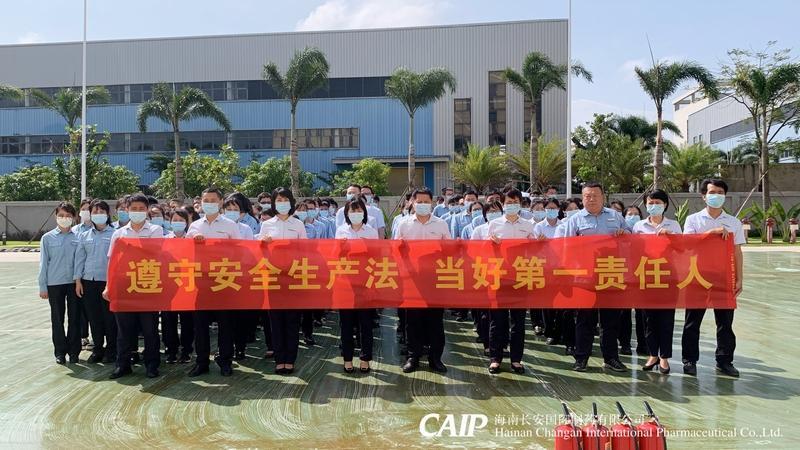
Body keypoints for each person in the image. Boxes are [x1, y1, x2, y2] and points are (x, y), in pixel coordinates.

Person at [560, 182, 631, 373]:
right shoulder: (575, 220)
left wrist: (624, 234)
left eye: (595, 195)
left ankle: (611, 358)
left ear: (603, 197)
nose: (591, 199)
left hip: (610, 274)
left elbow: (631, 238)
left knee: (610, 320)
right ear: (582, 198)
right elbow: (566, 247)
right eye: (587, 196)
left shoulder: (615, 216)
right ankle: (581, 358)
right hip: (585, 277)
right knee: (585, 320)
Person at [681, 179, 744, 378]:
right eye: (712, 192)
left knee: (725, 322)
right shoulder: (693, 220)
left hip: (724, 278)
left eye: (720, 192)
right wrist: (711, 233)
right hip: (697, 276)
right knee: (692, 321)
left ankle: (724, 361)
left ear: (725, 196)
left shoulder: (734, 222)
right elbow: (688, 245)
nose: (716, 196)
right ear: (704, 196)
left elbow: (737, 252)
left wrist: (739, 278)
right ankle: (689, 360)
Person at [103, 193, 163, 379]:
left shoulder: (156, 230)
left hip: (148, 285)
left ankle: (152, 365)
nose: (137, 212)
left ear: (147, 210)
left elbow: (155, 254)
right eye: (134, 209)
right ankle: (123, 364)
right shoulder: (119, 233)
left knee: (150, 330)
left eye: (141, 209)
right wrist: (108, 286)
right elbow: (112, 262)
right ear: (127, 210)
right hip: (124, 287)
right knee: (124, 330)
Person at [186, 187, 242, 377]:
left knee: (226, 324)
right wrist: (194, 243)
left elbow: (239, 251)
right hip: (201, 281)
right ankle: (201, 362)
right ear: (201, 203)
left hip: (223, 280)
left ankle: (225, 361)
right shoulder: (194, 226)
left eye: (213, 200)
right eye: (206, 200)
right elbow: (184, 252)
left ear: (220, 202)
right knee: (200, 325)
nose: (209, 203)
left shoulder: (230, 225)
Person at [395, 187, 450, 374]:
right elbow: (396, 251)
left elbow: (448, 250)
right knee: (413, 321)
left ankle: (436, 358)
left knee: (435, 321)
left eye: (426, 202)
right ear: (412, 202)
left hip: (435, 279)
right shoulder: (404, 224)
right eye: (419, 202)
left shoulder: (441, 224)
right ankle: (413, 357)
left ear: (432, 203)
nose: (423, 205)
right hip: (412, 280)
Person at [631, 189, 682, 375]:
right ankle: (652, 354)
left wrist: (671, 236)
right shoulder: (639, 226)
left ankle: (664, 357)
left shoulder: (674, 225)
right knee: (649, 319)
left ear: (665, 205)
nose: (654, 206)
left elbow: (682, 249)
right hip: (646, 277)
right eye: (650, 203)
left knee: (666, 319)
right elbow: (633, 250)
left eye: (658, 203)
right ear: (646, 205)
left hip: (668, 277)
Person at [259, 187, 307, 375]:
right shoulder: (267, 225)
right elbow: (260, 251)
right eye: (278, 200)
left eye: (285, 199)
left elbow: (305, 250)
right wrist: (264, 244)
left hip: (293, 277)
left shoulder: (298, 224)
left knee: (292, 320)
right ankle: (280, 359)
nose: (282, 203)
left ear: (291, 202)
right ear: (273, 203)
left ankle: (290, 358)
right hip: (273, 277)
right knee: (276, 320)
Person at [485, 189, 533, 374]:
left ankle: (516, 359)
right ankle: (495, 358)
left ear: (520, 203)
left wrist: (539, 242)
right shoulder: (494, 224)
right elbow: (484, 251)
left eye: (515, 202)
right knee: (498, 321)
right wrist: (492, 245)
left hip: (520, 277)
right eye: (508, 202)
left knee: (518, 322)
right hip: (499, 277)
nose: (512, 205)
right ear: (503, 204)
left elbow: (536, 251)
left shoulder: (528, 225)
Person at [335, 197, 379, 373]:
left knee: (365, 323)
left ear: (364, 212)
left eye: (359, 210)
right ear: (347, 213)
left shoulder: (371, 231)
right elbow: (335, 255)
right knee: (346, 323)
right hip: (346, 282)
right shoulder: (341, 231)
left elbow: (376, 256)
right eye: (352, 210)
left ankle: (365, 358)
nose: (356, 214)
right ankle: (347, 358)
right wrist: (342, 248)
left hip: (365, 282)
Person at [74, 200, 117, 364]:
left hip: (107, 282)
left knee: (109, 318)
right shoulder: (84, 235)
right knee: (94, 317)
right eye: (95, 212)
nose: (98, 215)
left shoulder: (115, 234)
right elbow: (79, 259)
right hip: (88, 282)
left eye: (102, 211)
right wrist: (78, 280)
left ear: (107, 214)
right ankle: (97, 349)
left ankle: (111, 350)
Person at [39, 202, 81, 364]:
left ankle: (74, 351)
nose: (64, 218)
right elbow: (44, 263)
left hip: (74, 283)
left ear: (74, 217)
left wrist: (79, 280)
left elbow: (80, 261)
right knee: (57, 318)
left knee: (75, 317)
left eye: (68, 216)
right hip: (54, 283)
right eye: (61, 215)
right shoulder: (47, 238)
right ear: (55, 216)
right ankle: (60, 352)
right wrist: (43, 286)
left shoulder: (78, 237)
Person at [161, 209, 194, 364]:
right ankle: (171, 349)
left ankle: (186, 350)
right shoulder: (163, 240)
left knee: (187, 320)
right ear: (170, 221)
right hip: (169, 285)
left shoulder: (192, 239)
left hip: (188, 284)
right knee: (168, 320)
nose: (178, 223)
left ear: (187, 222)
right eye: (175, 220)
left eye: (181, 220)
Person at [618, 204, 645, 355]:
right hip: (625, 277)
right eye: (630, 214)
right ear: (624, 217)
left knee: (642, 313)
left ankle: (643, 344)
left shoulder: (644, 231)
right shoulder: (620, 233)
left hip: (642, 276)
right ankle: (625, 344)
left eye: (636, 214)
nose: (633, 217)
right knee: (624, 314)